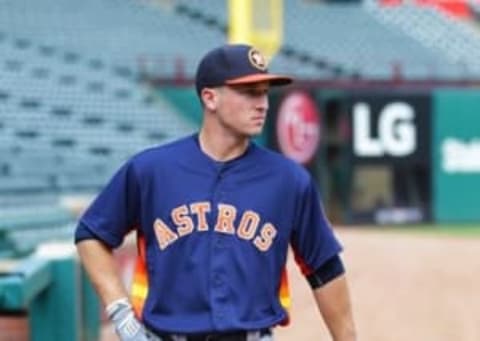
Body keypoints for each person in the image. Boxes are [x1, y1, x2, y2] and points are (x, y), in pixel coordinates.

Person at [75, 44, 356, 341]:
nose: (263, 104)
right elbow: (92, 234)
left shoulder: (289, 180)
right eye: (249, 92)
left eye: (263, 92)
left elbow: (324, 266)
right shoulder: (151, 170)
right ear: (210, 97)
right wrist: (121, 314)